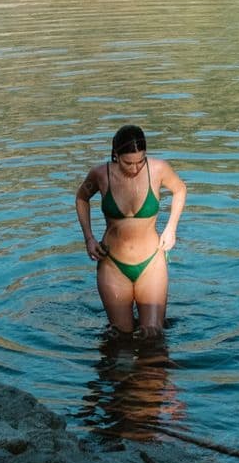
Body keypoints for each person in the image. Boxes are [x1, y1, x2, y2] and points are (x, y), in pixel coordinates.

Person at [75, 124, 187, 334]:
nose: (135, 168)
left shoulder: (158, 169)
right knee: (121, 334)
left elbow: (180, 189)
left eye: (140, 161)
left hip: (151, 261)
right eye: (128, 163)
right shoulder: (100, 174)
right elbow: (82, 198)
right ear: (116, 155)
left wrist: (171, 227)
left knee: (153, 332)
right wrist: (89, 238)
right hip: (112, 264)